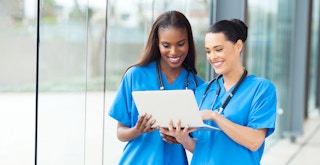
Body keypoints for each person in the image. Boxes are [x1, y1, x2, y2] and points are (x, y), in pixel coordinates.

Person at [160, 19, 277, 164]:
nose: (212, 57)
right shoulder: (202, 91)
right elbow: (202, 148)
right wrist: (182, 138)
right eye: (208, 51)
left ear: (238, 46)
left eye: (218, 49)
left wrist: (215, 116)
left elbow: (254, 141)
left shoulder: (261, 89)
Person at [108, 10, 204, 165]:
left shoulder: (198, 85)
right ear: (157, 43)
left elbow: (200, 145)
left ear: (189, 42)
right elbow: (120, 133)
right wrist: (137, 130)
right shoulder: (135, 76)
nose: (174, 52)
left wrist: (182, 139)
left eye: (181, 44)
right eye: (166, 45)